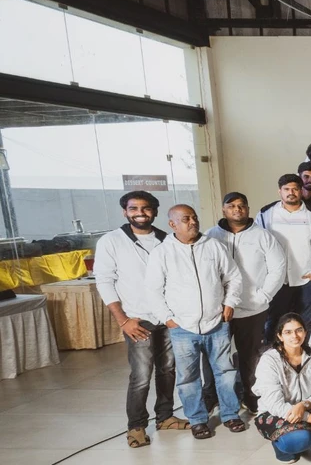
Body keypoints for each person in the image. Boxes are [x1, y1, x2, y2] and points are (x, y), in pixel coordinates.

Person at [96, 191, 189, 447]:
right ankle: (136, 426)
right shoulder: (111, 241)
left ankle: (165, 417)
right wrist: (123, 320)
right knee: (141, 375)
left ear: (155, 211)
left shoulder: (166, 239)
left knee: (167, 370)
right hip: (137, 319)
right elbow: (104, 282)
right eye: (133, 208)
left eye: (146, 208)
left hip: (167, 318)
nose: (140, 213)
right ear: (125, 212)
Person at [146, 205, 244, 440]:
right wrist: (168, 319)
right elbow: (153, 290)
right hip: (182, 328)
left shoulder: (213, 246)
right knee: (188, 377)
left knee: (225, 372)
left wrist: (230, 303)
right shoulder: (162, 252)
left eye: (195, 217)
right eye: (186, 219)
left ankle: (230, 414)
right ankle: (198, 420)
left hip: (216, 323)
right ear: (172, 224)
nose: (193, 222)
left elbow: (233, 277)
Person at [208, 192, 286, 414]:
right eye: (231, 205)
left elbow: (278, 268)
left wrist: (263, 296)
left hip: (252, 309)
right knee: (217, 357)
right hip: (219, 309)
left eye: (241, 205)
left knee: (250, 356)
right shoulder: (211, 236)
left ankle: (251, 396)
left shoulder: (263, 236)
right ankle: (215, 398)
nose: (237, 209)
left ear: (248, 209)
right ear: (223, 210)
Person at [258, 174, 311, 333]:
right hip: (277, 279)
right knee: (275, 321)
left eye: (295, 189)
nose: (291, 193)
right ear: (279, 191)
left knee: (306, 322)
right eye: (286, 189)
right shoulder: (266, 214)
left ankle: (305, 348)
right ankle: (275, 348)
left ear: (301, 190)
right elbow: (258, 244)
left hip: (306, 278)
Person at [252, 313, 311, 463]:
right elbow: (275, 405)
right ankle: (282, 446)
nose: (295, 336)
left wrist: (304, 405)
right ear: (280, 336)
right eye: (288, 332)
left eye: (299, 330)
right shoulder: (269, 361)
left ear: (305, 332)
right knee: (301, 438)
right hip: (277, 413)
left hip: (309, 407)